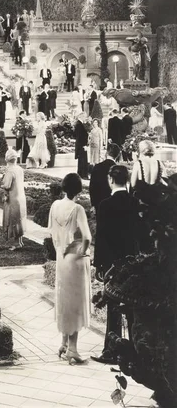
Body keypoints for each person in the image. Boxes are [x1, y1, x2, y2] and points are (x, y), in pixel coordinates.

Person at [91, 165, 140, 365]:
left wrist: (99, 264)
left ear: (111, 180)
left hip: (112, 263)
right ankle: (136, 350)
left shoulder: (105, 205)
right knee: (133, 307)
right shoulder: (135, 202)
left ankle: (112, 350)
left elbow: (101, 237)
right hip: (133, 262)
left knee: (113, 306)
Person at [48, 173, 92, 364]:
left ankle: (64, 343)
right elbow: (87, 237)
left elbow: (50, 231)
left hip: (60, 256)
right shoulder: (78, 209)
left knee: (64, 298)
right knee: (75, 301)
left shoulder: (55, 206)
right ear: (79, 189)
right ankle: (72, 349)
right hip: (74, 256)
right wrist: (83, 251)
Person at [2, 149, 27, 251]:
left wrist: (2, 184)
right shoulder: (19, 169)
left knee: (13, 219)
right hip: (20, 196)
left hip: (13, 197)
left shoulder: (10, 170)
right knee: (20, 218)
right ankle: (20, 241)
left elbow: (7, 185)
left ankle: (16, 243)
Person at [89, 143, 121, 217]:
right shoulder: (118, 169)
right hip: (114, 203)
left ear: (106, 153)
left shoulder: (97, 167)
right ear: (118, 155)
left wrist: (93, 204)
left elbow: (92, 187)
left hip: (99, 202)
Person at [74, 113, 89, 179]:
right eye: (84, 116)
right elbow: (80, 136)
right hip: (81, 145)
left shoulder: (79, 124)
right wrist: (84, 145)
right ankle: (83, 175)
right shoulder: (79, 124)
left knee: (82, 160)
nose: (85, 118)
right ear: (81, 116)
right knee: (83, 160)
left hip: (80, 145)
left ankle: (81, 174)